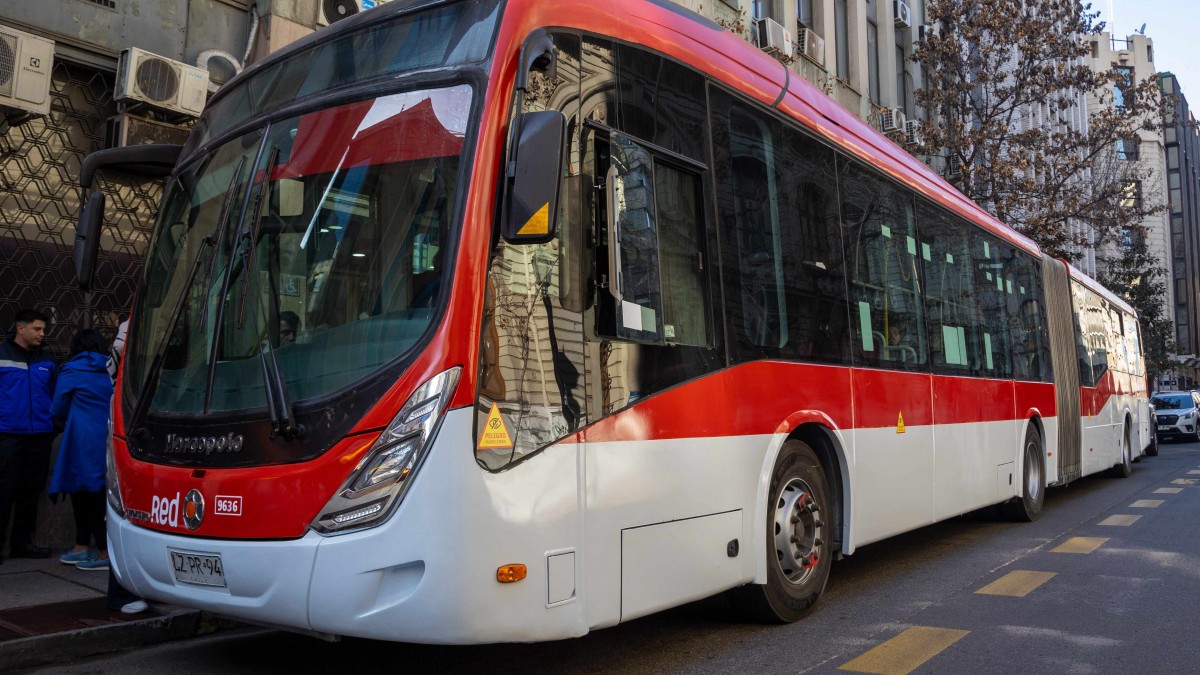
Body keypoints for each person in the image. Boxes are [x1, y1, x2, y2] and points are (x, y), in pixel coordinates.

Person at [48, 329, 113, 570]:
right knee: (100, 493)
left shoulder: (72, 369)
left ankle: (91, 549)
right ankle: (87, 547)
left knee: (82, 493)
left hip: (80, 439)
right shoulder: (111, 368)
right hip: (107, 436)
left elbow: (57, 408)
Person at [0, 309, 58, 563]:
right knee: (4, 490)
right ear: (20, 328)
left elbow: (55, 394)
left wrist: (53, 424)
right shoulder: (2, 355)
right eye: (37, 329)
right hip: (8, 435)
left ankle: (23, 543)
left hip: (40, 436)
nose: (42, 334)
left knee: (31, 490)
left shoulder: (47, 358)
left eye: (43, 329)